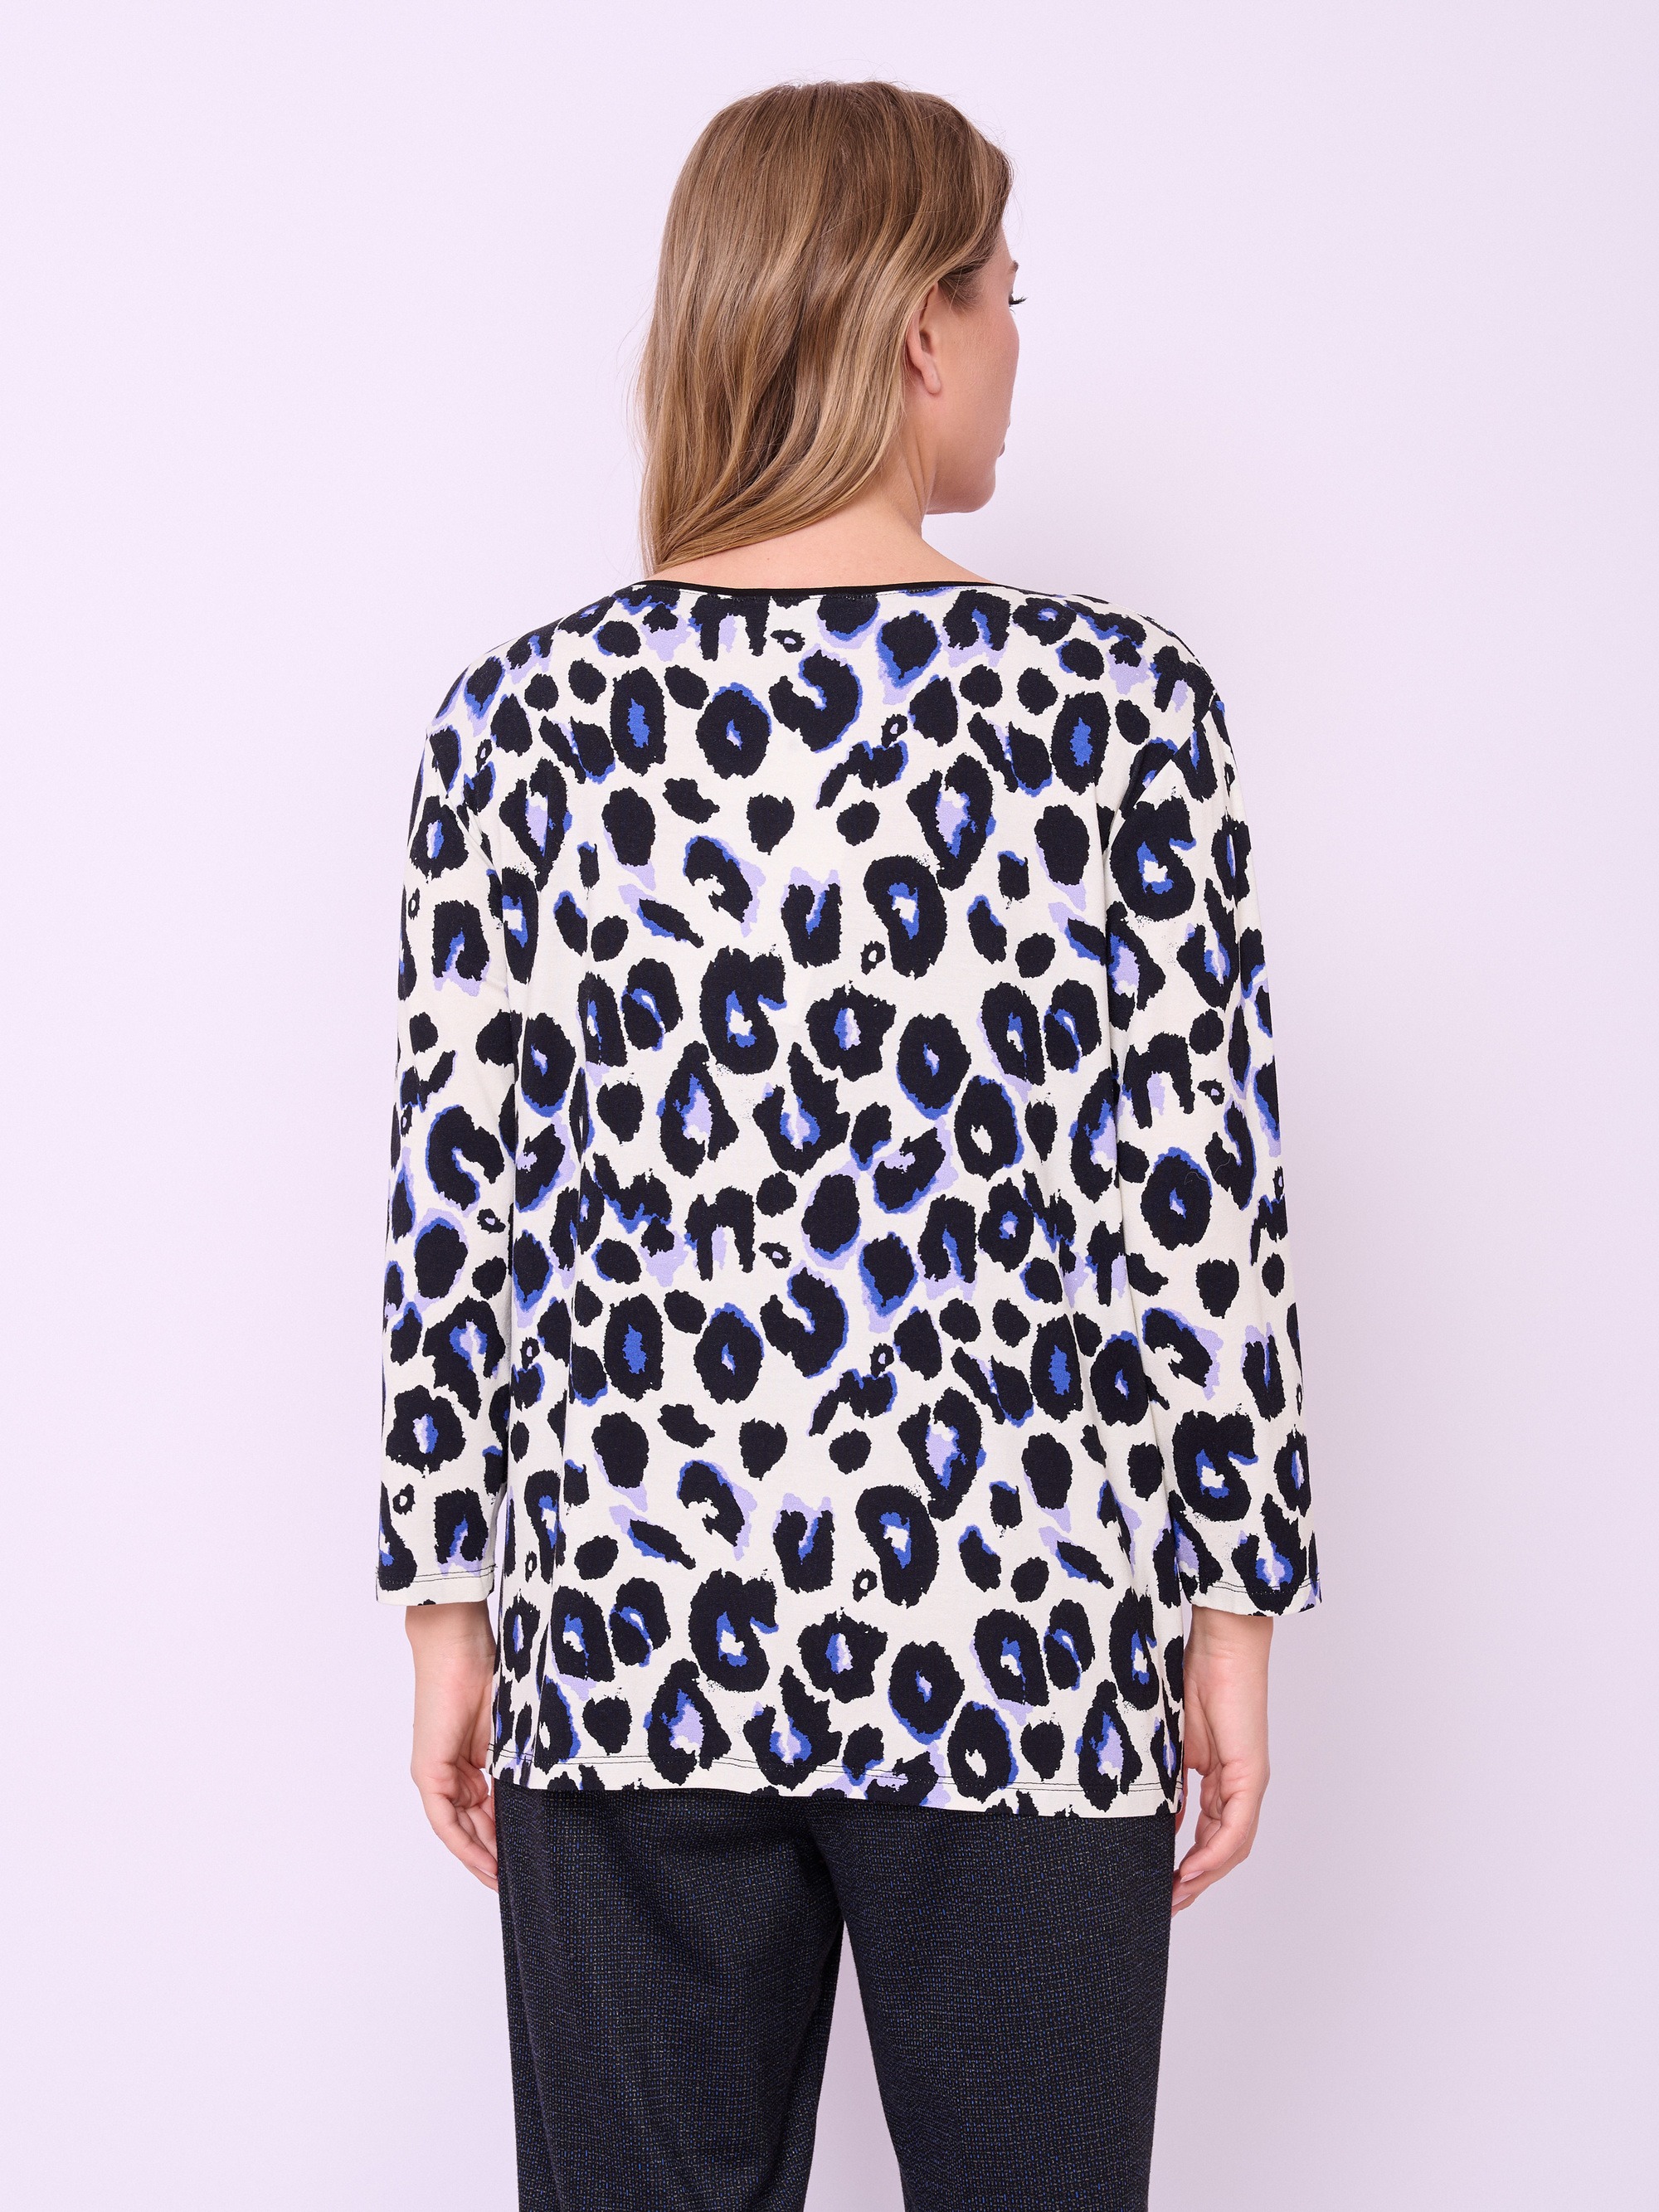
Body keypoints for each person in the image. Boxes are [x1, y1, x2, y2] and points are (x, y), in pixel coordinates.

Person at [377, 78, 1318, 2212]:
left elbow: (461, 1197)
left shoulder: (521, 720)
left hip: (632, 1624)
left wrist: (450, 1604)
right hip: (1022, 1625)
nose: (1013, 346)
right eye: (1003, 298)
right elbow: (1200, 1202)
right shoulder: (1117, 709)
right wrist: (1231, 1611)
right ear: (916, 328)